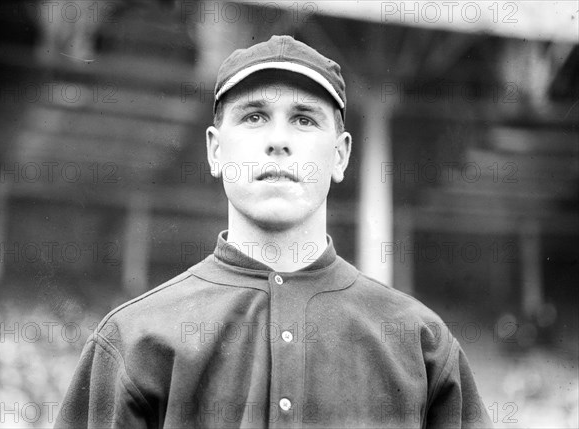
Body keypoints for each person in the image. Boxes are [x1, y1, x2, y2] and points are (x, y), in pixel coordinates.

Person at [55, 35, 492, 428]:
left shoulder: (421, 343)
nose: (278, 140)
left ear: (340, 156)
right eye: (254, 116)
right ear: (214, 150)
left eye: (304, 119)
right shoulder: (135, 340)